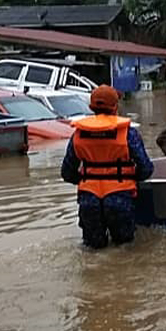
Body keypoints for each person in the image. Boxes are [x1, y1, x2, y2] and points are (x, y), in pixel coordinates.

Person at [61, 85, 153, 249]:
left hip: (89, 200)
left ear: (91, 107)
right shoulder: (128, 133)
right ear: (115, 107)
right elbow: (146, 168)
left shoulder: (78, 133)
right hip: (119, 199)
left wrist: (87, 179)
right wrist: (129, 178)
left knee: (92, 252)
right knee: (124, 252)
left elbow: (67, 173)